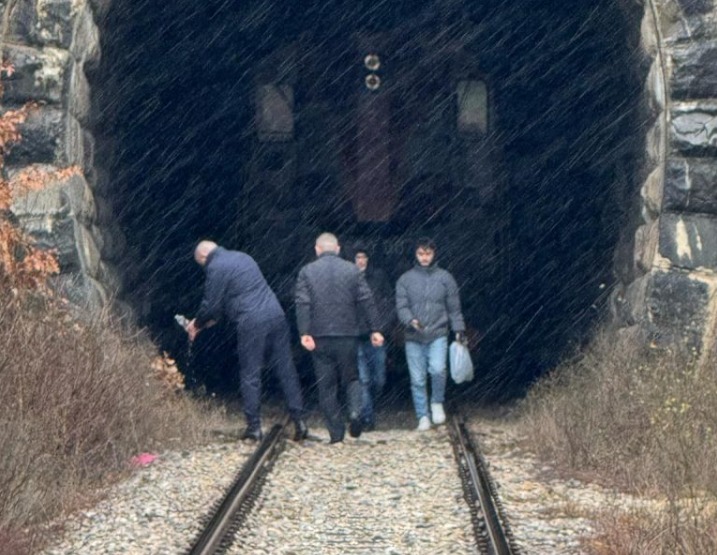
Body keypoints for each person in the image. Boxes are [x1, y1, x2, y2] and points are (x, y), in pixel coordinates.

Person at [186, 240, 308, 442]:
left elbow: (211, 305)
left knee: (250, 373)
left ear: (203, 257)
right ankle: (300, 420)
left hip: (252, 321)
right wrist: (210, 321)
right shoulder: (243, 257)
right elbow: (234, 296)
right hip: (276, 315)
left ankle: (254, 427)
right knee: (286, 369)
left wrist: (196, 324)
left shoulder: (216, 267)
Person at [295, 233, 384, 444]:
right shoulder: (352, 270)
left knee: (326, 386)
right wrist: (375, 329)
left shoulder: (307, 271)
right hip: (348, 335)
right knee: (352, 379)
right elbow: (367, 300)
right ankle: (354, 413)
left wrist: (304, 332)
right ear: (337, 249)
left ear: (317, 249)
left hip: (320, 336)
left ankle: (336, 434)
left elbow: (302, 303)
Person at [396, 237, 466, 431]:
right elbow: (401, 306)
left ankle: (436, 402)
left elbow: (454, 308)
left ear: (434, 254)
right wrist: (409, 319)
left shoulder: (446, 278)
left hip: (438, 332)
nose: (424, 257)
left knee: (437, 369)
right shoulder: (405, 279)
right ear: (415, 254)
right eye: (421, 253)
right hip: (413, 335)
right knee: (417, 379)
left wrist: (459, 329)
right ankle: (422, 416)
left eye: (428, 253)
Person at [353, 244, 394, 431]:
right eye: (357, 258)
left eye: (364, 257)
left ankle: (366, 407)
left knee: (379, 379)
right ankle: (367, 417)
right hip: (355, 336)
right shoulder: (347, 279)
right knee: (363, 379)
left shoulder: (378, 278)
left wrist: (381, 327)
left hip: (375, 335)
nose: (361, 261)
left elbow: (389, 302)